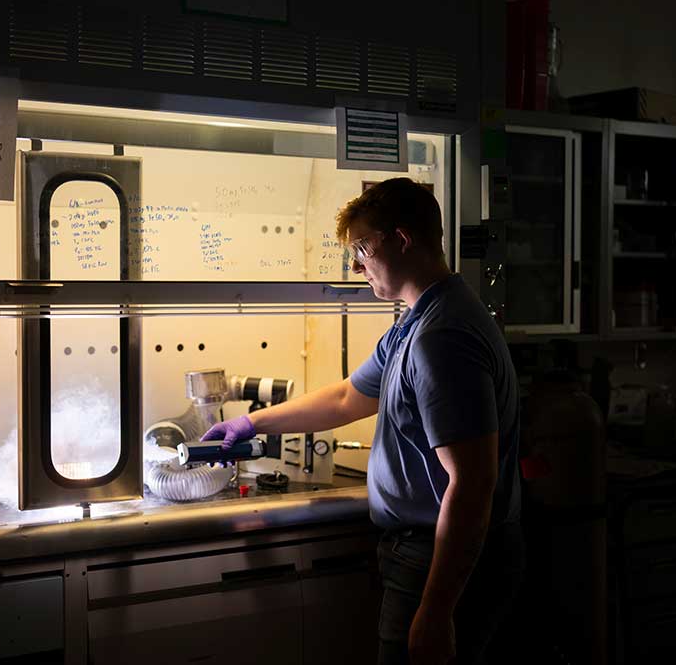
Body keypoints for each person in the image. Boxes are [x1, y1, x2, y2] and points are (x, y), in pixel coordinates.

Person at [201, 178, 524, 665]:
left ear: (402, 239)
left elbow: (473, 483)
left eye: (361, 249)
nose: (355, 266)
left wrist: (436, 611)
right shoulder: (415, 323)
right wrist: (252, 424)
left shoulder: (442, 337)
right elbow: (347, 397)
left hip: (441, 557)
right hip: (424, 551)